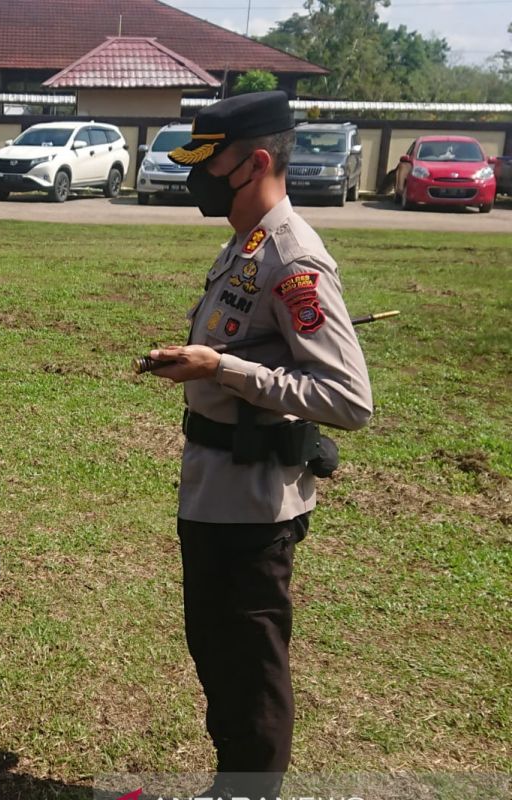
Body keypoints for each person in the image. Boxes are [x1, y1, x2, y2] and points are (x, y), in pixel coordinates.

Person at [149, 91, 373, 799]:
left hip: (254, 506)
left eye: (209, 164)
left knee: (250, 671)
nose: (198, 179)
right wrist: (203, 361)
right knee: (218, 657)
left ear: (257, 162)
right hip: (214, 490)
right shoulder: (247, 243)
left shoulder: (293, 256)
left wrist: (224, 368)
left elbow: (348, 397)